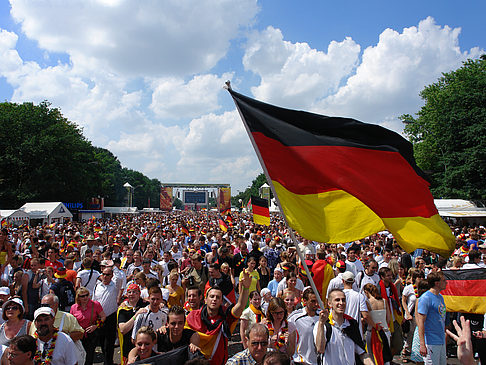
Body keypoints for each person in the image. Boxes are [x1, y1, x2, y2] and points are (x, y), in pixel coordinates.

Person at [185, 268, 252, 365]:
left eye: (218, 297)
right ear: (205, 299)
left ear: (221, 301)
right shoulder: (193, 316)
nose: (214, 299)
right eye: (212, 296)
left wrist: (245, 288)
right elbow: (182, 335)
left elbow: (240, 306)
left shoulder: (226, 317)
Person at [314, 288, 374, 365]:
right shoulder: (323, 326)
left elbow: (362, 353)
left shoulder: (351, 324)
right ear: (329, 303)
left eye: (343, 300)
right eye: (337, 300)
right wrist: (321, 324)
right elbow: (320, 349)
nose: (341, 303)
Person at [416, 271, 447, 365]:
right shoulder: (426, 298)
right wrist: (422, 344)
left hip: (440, 340)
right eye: (444, 280)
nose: (446, 282)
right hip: (430, 341)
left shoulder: (440, 297)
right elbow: (420, 322)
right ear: (437, 283)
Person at [70, 286, 106, 365]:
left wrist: (95, 326)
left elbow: (103, 317)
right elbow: (71, 320)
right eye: (82, 296)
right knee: (79, 355)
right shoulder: (74, 307)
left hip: (90, 335)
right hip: (79, 334)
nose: (85, 297)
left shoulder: (95, 304)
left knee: (89, 356)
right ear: (78, 297)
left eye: (87, 295)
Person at [93, 266, 118, 365]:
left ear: (112, 276)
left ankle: (108, 363)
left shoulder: (115, 285)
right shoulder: (97, 286)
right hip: (99, 317)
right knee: (102, 342)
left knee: (109, 343)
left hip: (110, 317)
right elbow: (94, 299)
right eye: (104, 274)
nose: (105, 276)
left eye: (108, 274)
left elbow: (120, 276)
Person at [117, 283, 147, 365]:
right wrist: (136, 315)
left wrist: (161, 304)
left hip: (145, 346)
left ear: (139, 294)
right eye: (129, 292)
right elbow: (123, 329)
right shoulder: (123, 310)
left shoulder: (145, 305)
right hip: (128, 346)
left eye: (135, 292)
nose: (132, 294)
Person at [287, 288, 319, 365]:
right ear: (304, 301)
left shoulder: (323, 317)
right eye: (313, 301)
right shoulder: (295, 317)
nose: (316, 304)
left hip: (318, 362)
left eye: (317, 301)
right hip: (300, 361)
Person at [378, 266, 403, 356]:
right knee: (386, 342)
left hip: (395, 317)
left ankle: (390, 357)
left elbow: (397, 301)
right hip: (384, 319)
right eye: (388, 276)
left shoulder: (393, 287)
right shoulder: (378, 288)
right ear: (382, 277)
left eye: (391, 275)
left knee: (398, 343)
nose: (390, 277)